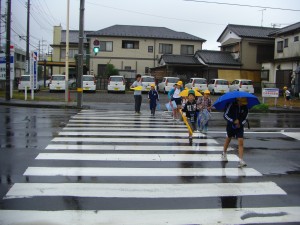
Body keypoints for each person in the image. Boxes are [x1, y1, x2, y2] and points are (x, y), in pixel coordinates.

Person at [222, 97, 249, 168]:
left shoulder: (245, 107)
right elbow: (225, 115)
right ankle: (224, 153)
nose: (242, 104)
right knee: (228, 139)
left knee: (241, 141)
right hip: (230, 126)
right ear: (238, 100)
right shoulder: (231, 105)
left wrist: (240, 123)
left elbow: (246, 118)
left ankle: (240, 160)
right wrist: (233, 121)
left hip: (240, 127)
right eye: (241, 102)